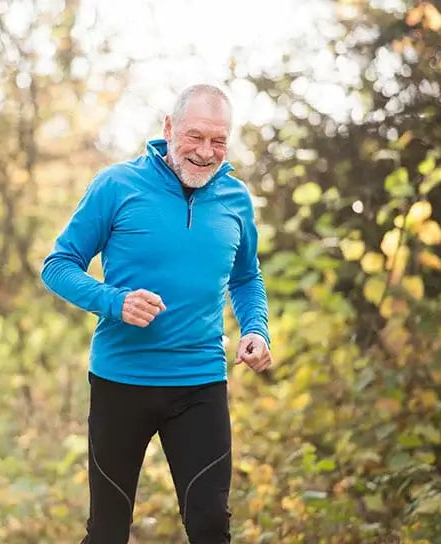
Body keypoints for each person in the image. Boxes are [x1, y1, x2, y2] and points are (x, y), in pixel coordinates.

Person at [40, 84, 272, 543]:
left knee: (210, 526)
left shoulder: (236, 198)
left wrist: (256, 329)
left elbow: (246, 278)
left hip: (200, 382)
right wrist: (115, 301)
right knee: (107, 532)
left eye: (219, 141)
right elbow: (58, 266)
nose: (206, 153)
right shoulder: (117, 185)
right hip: (120, 382)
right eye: (195, 137)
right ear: (168, 129)